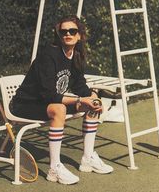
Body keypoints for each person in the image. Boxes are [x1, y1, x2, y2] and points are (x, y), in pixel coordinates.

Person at [10, 15, 113, 185]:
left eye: (72, 31)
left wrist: (92, 97)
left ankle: (88, 158)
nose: (68, 34)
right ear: (59, 35)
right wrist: (81, 100)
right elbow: (48, 95)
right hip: (25, 104)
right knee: (60, 109)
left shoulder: (76, 55)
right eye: (63, 31)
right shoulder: (48, 55)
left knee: (93, 104)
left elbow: (80, 84)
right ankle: (54, 168)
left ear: (79, 35)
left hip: (48, 102)